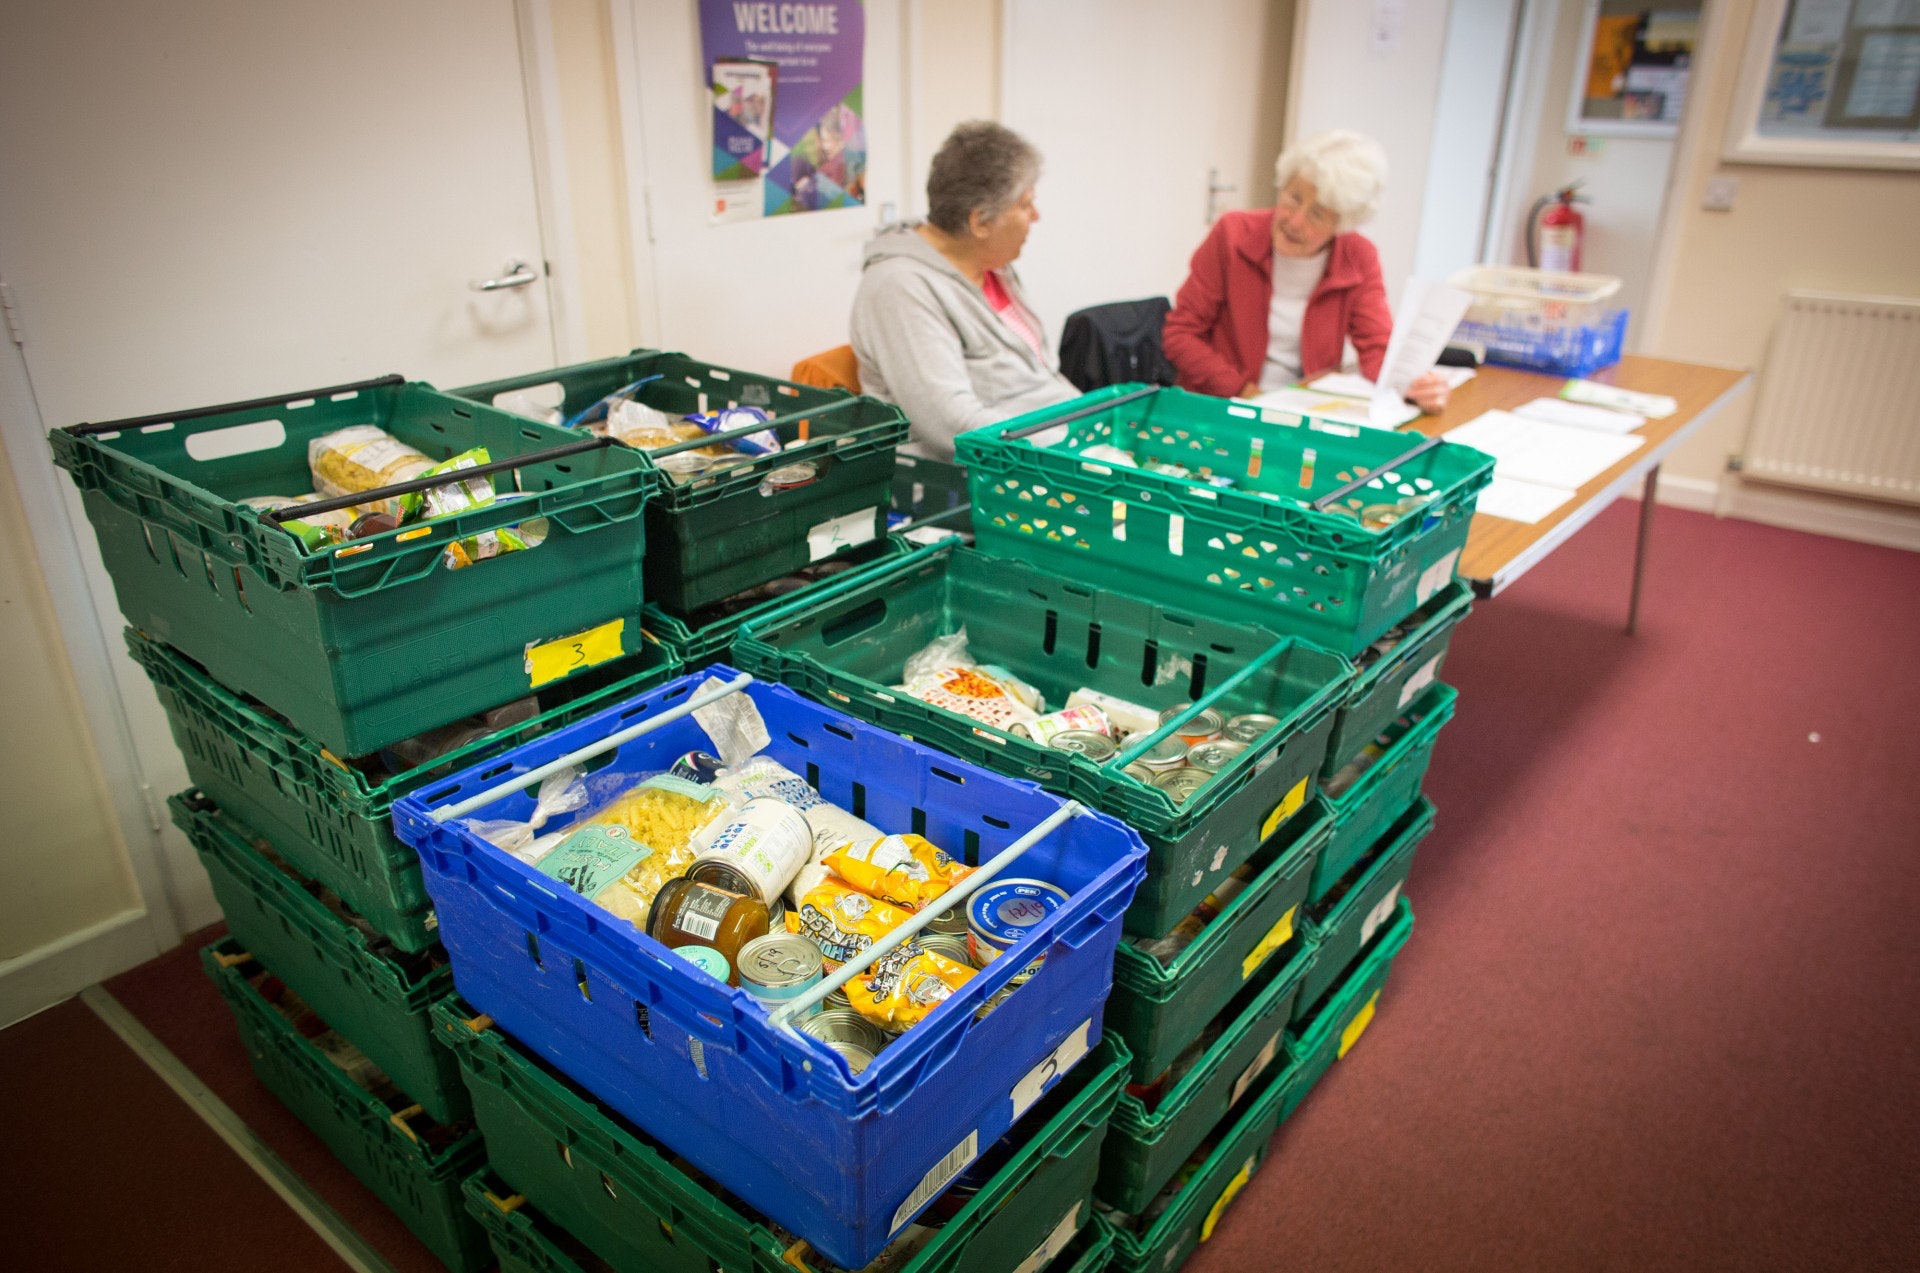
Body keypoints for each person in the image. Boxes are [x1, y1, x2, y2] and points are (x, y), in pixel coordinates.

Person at [1162, 130, 1451, 413]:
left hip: (1306, 411)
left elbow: (1377, 349)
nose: (1295, 221)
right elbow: (1181, 334)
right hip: (1223, 405)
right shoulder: (1233, 235)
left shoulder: (1358, 256)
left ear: (1342, 223)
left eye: (1317, 214)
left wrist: (1412, 386)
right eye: (1294, 198)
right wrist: (1244, 392)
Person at [850, 121, 1078, 460]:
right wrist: (1075, 450)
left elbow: (1042, 379)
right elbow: (952, 425)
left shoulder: (993, 267)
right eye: (1025, 204)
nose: (1036, 216)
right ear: (980, 222)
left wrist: (1100, 426)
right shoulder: (899, 287)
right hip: (985, 476)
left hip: (1047, 449)